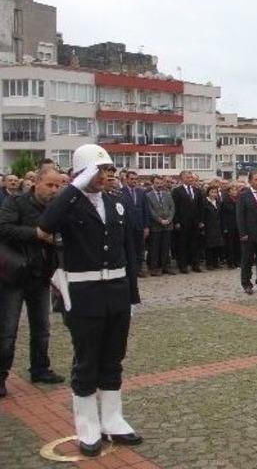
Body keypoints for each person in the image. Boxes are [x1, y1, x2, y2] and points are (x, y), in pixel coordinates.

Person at [38, 144, 142, 456]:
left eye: (108, 170)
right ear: (81, 173)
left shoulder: (117, 202)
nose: (105, 175)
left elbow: (129, 252)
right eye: (98, 170)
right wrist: (74, 187)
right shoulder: (68, 204)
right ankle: (87, 425)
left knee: (113, 358)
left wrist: (132, 295)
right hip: (84, 295)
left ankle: (113, 418)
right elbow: (45, 226)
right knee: (86, 361)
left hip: (117, 291)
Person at [0, 167, 66, 398]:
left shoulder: (56, 207)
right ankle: (1, 375)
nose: (54, 190)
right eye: (50, 185)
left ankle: (40, 368)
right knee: (7, 331)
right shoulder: (15, 203)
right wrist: (35, 234)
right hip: (14, 276)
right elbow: (4, 229)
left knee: (42, 328)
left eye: (58, 186)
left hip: (41, 275)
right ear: (36, 183)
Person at [171, 170, 204, 273]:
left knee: (195, 244)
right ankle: (183, 265)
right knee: (182, 244)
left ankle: (195, 264)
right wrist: (176, 221)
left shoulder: (197, 190)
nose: (190, 179)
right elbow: (174, 207)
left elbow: (200, 207)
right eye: (188, 177)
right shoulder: (177, 191)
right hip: (182, 222)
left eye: (191, 177)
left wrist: (200, 220)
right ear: (182, 179)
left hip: (195, 222)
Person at [144, 175, 176, 276]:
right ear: (153, 183)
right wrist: (159, 220)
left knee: (166, 247)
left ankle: (165, 266)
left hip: (168, 225)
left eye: (161, 183)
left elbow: (172, 208)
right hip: (155, 225)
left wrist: (169, 219)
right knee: (154, 247)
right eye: (157, 183)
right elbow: (150, 210)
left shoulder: (167, 194)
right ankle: (154, 267)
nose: (159, 185)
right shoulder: (148, 195)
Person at [121, 171, 149, 278]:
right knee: (128, 248)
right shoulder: (121, 192)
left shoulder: (141, 192)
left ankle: (139, 269)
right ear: (127, 179)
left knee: (139, 248)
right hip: (127, 226)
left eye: (136, 179)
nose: (134, 181)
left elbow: (145, 210)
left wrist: (146, 226)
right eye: (132, 179)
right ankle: (129, 269)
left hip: (139, 225)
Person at [202, 186, 224, 270]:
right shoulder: (205, 202)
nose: (214, 194)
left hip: (217, 226)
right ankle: (209, 263)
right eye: (212, 192)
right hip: (208, 226)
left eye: (216, 192)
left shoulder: (218, 202)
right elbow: (203, 215)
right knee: (209, 246)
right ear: (208, 192)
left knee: (217, 245)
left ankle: (216, 262)